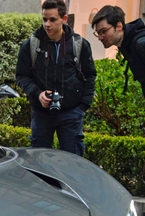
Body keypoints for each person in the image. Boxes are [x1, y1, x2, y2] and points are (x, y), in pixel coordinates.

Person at [92, 6, 145, 216]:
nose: (101, 36)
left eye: (104, 31)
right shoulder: (130, 46)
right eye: (98, 33)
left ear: (119, 27)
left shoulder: (142, 44)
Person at [15, 0, 96, 156]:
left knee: (73, 163)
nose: (47, 24)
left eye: (52, 19)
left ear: (64, 19)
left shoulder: (79, 44)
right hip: (41, 113)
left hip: (71, 113)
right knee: (39, 162)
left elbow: (90, 76)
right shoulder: (31, 45)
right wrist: (38, 93)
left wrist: (82, 108)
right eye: (44, 19)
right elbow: (21, 76)